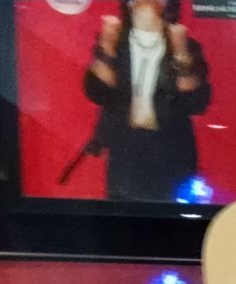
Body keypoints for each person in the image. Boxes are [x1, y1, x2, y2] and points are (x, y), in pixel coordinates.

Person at [81, 0, 211, 202]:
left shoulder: (187, 46)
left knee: (173, 215)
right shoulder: (115, 42)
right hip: (126, 150)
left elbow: (197, 103)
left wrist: (180, 53)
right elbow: (97, 92)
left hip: (171, 151)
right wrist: (107, 46)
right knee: (123, 213)